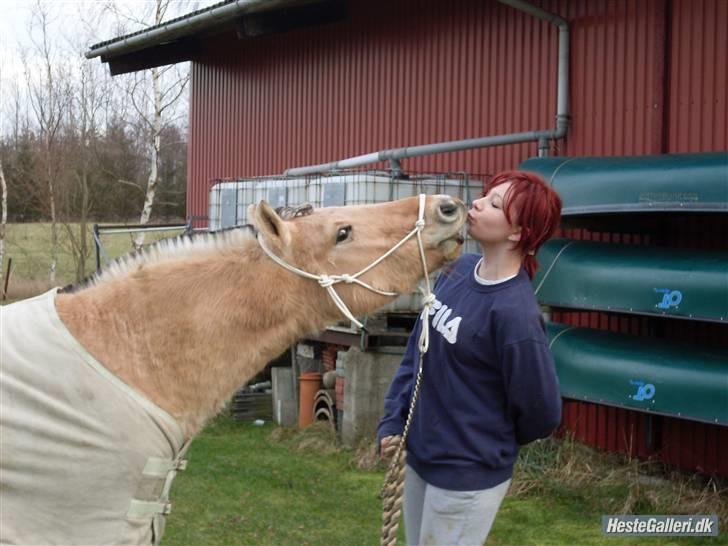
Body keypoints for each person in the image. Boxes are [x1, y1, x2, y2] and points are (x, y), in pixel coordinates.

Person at [378, 170, 563, 546]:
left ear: (517, 233)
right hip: (420, 459)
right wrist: (393, 422)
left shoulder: (515, 315)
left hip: (466, 476)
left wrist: (481, 442)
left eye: (495, 204)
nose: (477, 203)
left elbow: (542, 413)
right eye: (487, 195)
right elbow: (418, 353)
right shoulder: (457, 271)